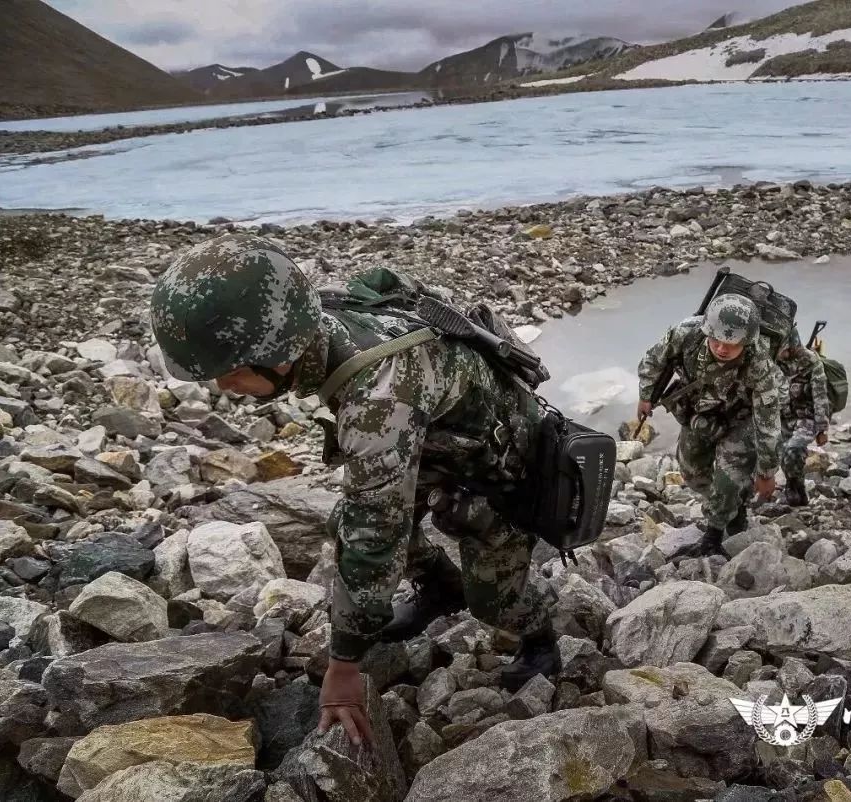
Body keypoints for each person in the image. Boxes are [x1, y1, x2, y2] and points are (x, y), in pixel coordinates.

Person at [150, 234, 559, 746]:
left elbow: (375, 536)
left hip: (500, 464)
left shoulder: (378, 399)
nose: (224, 388)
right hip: (438, 435)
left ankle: (541, 638)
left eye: (231, 374)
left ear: (278, 356)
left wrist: (343, 667)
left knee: (492, 601)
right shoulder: (312, 316)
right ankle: (440, 586)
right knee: (346, 518)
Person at [637, 294, 782, 554]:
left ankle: (713, 537)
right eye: (716, 340)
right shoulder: (687, 333)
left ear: (746, 342)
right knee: (692, 473)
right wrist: (645, 395)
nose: (722, 349)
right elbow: (653, 359)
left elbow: (768, 421)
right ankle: (733, 505)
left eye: (731, 344)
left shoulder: (760, 365)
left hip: (740, 420)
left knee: (728, 480)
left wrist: (766, 472)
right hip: (699, 413)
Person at [774, 326, 830, 507]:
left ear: (792, 346)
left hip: (806, 418)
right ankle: (797, 487)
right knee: (783, 454)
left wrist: (822, 429)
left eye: (782, 349)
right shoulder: (775, 360)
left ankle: (792, 486)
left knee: (793, 449)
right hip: (784, 416)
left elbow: (820, 397)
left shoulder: (811, 362)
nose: (779, 353)